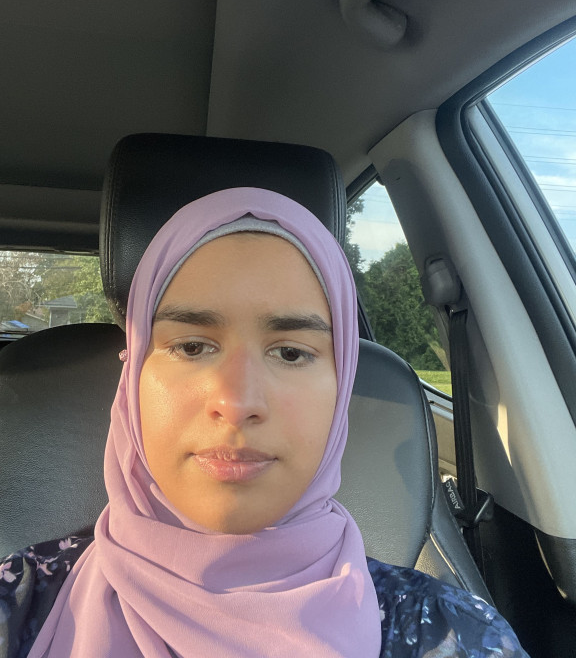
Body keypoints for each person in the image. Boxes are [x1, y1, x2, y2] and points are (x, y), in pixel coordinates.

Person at [0, 188, 529, 657]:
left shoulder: (452, 633)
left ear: (341, 387)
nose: (237, 402)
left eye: (291, 353)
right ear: (132, 381)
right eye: (191, 346)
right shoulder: (18, 601)